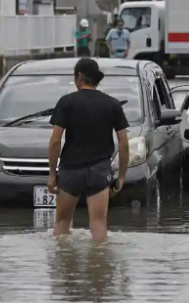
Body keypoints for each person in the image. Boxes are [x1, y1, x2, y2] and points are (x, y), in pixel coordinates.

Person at [47, 58, 130, 243]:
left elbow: (55, 141)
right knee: (99, 224)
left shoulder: (67, 102)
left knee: (62, 222)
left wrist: (52, 173)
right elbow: (124, 143)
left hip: (70, 171)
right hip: (99, 171)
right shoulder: (112, 104)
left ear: (79, 76)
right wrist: (122, 176)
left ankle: (64, 269)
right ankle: (99, 267)